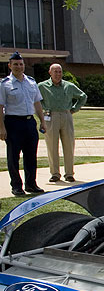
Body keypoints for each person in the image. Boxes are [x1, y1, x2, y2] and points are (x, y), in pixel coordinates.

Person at [0, 52, 47, 196]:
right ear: (10, 66)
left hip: (29, 122)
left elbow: (37, 103)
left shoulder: (31, 82)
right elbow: (0, 107)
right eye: (15, 64)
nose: (19, 67)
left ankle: (31, 184)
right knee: (13, 156)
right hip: (13, 123)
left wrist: (42, 121)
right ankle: (16, 186)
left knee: (31, 155)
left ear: (24, 65)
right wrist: (1, 127)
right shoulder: (4, 84)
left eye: (20, 64)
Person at [38, 63, 87, 182]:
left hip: (66, 115)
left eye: (60, 72)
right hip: (50, 116)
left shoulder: (69, 86)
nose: (58, 74)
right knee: (52, 146)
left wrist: (74, 109)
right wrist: (43, 111)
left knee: (69, 145)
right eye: (55, 72)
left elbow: (83, 96)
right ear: (50, 73)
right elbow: (35, 100)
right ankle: (55, 173)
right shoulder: (42, 86)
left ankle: (69, 173)